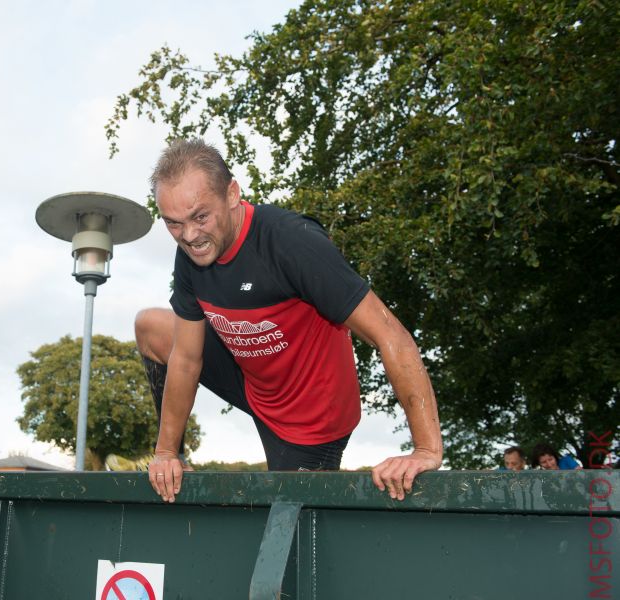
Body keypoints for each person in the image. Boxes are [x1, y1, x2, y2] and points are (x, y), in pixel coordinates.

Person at [135, 138, 443, 503]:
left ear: (232, 194)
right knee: (150, 327)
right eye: (174, 223)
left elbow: (392, 336)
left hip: (310, 416)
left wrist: (425, 449)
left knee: (285, 526)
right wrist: (167, 452)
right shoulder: (192, 251)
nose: (189, 236)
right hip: (255, 379)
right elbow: (186, 358)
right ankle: (176, 465)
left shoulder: (291, 242)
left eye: (201, 217)